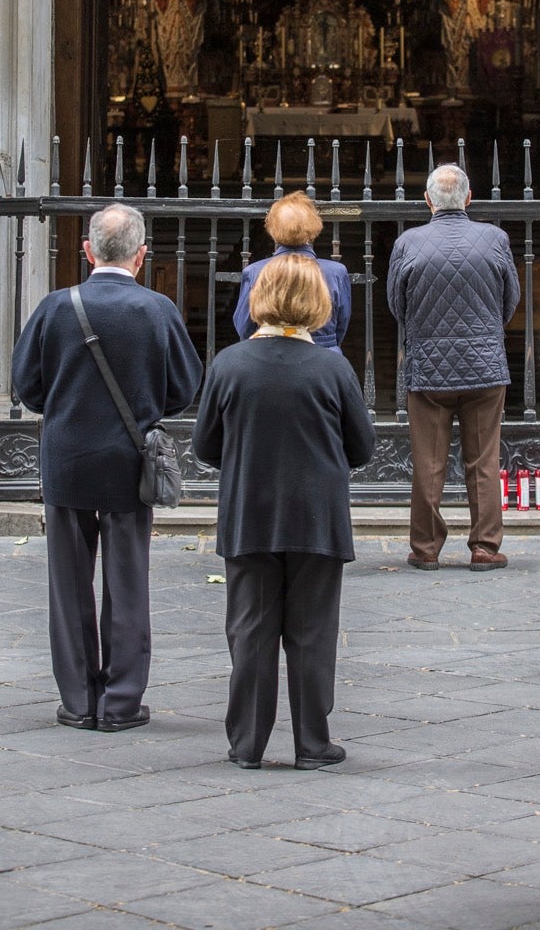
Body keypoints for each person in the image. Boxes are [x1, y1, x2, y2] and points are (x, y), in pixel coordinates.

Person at [12, 204, 202, 732]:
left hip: (68, 459)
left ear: (87, 251)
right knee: (127, 581)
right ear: (141, 256)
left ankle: (78, 699)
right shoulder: (157, 310)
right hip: (128, 462)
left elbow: (27, 388)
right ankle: (120, 702)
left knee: (68, 584)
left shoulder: (54, 308)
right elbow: (184, 388)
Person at [192, 254, 376, 770]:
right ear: (318, 302)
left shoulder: (229, 364)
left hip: (249, 512)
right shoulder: (332, 367)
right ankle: (313, 743)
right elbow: (361, 448)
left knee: (250, 629)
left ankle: (247, 743)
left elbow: (205, 447)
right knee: (313, 632)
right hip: (317, 517)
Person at [387, 163, 520, 571]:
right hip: (485, 367)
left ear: (427, 201)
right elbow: (509, 299)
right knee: (483, 460)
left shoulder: (409, 242)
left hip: (428, 369)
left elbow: (397, 305)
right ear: (468, 198)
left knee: (428, 462)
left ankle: (425, 548)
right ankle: (484, 545)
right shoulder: (495, 239)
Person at [232, 191, 351, 352]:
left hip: (268, 354)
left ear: (273, 228)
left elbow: (245, 327)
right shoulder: (336, 271)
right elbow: (341, 323)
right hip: (324, 352)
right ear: (314, 226)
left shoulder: (255, 271)